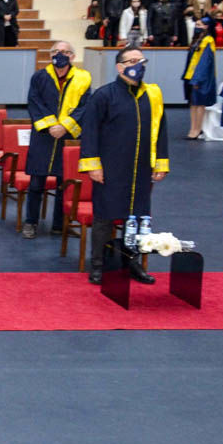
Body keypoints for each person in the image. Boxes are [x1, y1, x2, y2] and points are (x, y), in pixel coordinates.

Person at [78, 47, 168, 285]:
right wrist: (93, 165)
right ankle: (99, 265)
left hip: (141, 169)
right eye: (132, 61)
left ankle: (133, 264)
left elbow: (161, 130)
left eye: (141, 61)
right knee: (104, 218)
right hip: (110, 168)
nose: (138, 65)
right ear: (119, 67)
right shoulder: (104, 95)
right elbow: (90, 132)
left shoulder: (152, 95)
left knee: (137, 218)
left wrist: (161, 163)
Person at [21, 41, 92, 239]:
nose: (60, 55)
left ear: (72, 56)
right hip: (43, 135)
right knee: (36, 183)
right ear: (50, 54)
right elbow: (34, 101)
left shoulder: (83, 78)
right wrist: (52, 125)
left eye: (66, 52)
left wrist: (65, 126)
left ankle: (60, 225)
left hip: (68, 137)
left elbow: (85, 106)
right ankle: (31, 222)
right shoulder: (40, 77)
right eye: (56, 51)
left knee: (64, 183)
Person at [182, 17, 217, 139]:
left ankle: (198, 129)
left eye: (199, 25)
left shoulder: (208, 41)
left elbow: (205, 62)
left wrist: (197, 78)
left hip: (200, 77)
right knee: (192, 103)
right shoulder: (197, 39)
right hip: (191, 75)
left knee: (199, 103)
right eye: (196, 24)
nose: (196, 27)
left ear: (206, 26)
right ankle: (193, 128)